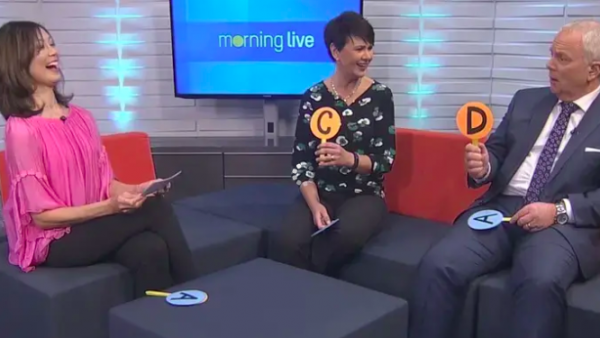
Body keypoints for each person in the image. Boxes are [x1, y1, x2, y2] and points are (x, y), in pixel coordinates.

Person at [408, 20, 600, 338]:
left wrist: (559, 210)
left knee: (539, 282)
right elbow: (496, 154)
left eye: (562, 59)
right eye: (551, 54)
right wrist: (483, 166)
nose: (549, 64)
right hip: (501, 210)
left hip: (562, 222)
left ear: (593, 70)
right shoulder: (527, 100)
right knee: (438, 264)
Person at [0, 21, 197, 298]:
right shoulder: (21, 130)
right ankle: (199, 295)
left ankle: (156, 324)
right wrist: (111, 207)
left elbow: (106, 183)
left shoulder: (81, 117)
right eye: (39, 48)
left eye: (51, 43)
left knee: (149, 248)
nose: (52, 52)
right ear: (17, 62)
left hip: (91, 227)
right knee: (156, 210)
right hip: (54, 240)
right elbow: (42, 218)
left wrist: (135, 191)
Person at [268, 11, 396, 277]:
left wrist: (349, 159)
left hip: (365, 195)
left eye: (370, 48)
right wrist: (315, 205)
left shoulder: (381, 96)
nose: (367, 56)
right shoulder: (313, 97)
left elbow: (386, 160)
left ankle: (313, 294)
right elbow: (302, 163)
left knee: (342, 237)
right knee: (287, 242)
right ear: (336, 52)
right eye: (360, 48)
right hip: (321, 191)